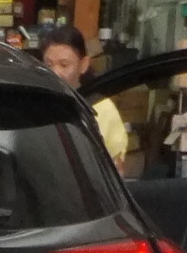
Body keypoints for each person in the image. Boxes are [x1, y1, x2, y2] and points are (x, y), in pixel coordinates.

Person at [38, 25, 131, 170]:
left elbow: (116, 168)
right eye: (48, 65)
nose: (55, 72)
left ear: (83, 64)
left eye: (64, 65)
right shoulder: (35, 103)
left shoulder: (102, 108)